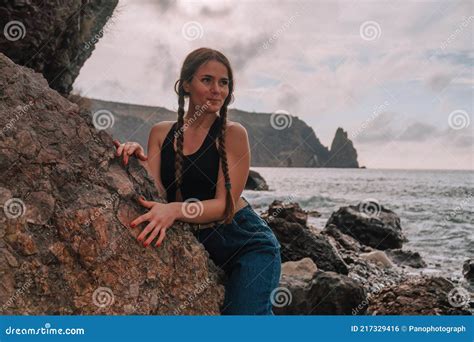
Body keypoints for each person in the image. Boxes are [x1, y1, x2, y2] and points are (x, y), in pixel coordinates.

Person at [113, 47, 281, 315]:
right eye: (207, 80)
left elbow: (225, 205)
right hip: (199, 240)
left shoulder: (233, 134)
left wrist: (175, 211)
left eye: (223, 82)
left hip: (243, 242)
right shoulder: (160, 133)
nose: (217, 89)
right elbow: (155, 192)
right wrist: (135, 159)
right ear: (186, 85)